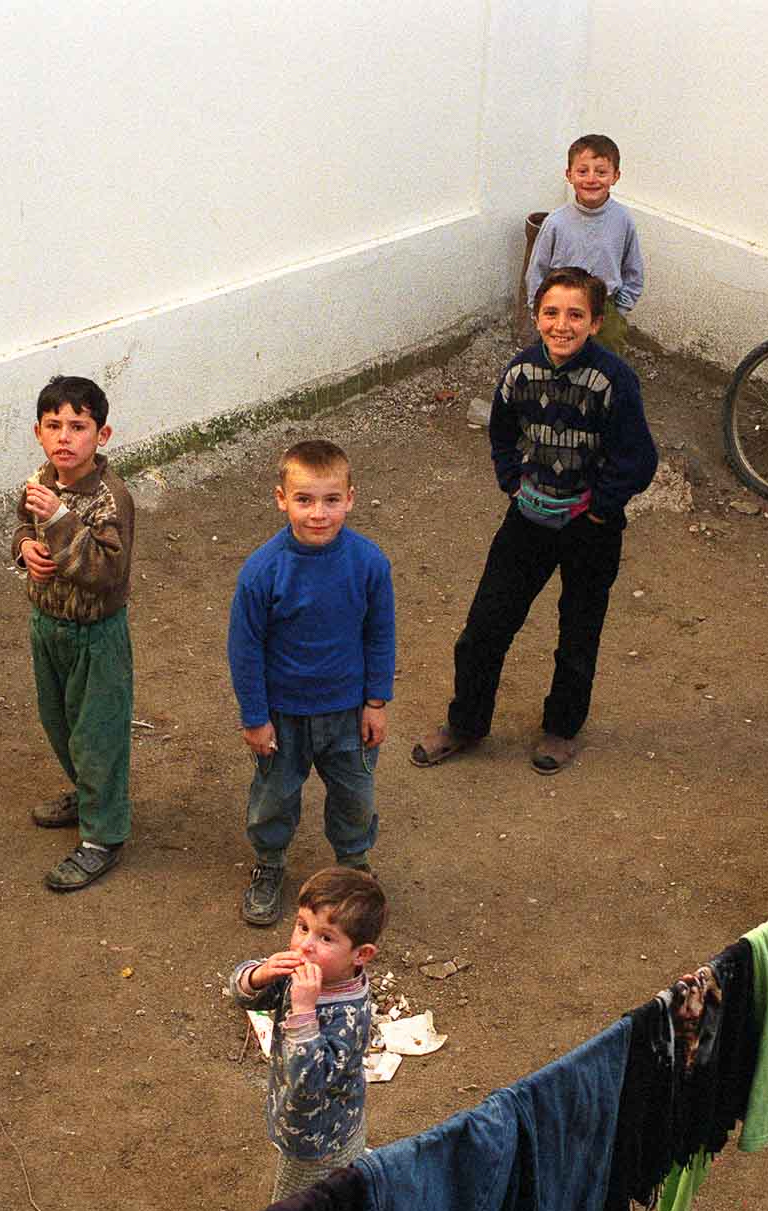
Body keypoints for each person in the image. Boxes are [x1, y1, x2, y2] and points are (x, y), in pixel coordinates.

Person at [412, 267, 658, 775]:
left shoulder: (614, 380)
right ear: (535, 316)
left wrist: (599, 509)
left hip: (590, 531)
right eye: (551, 313)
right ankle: (466, 724)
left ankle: (562, 729)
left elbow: (639, 459)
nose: (561, 325)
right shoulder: (520, 372)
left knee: (578, 633)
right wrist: (511, 481)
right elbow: (501, 433)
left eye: (575, 315)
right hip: (527, 520)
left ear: (595, 322)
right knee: (484, 627)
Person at [229, 440, 395, 927]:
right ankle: (270, 864)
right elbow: (245, 650)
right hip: (282, 717)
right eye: (304, 500)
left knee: (355, 797)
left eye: (330, 499)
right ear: (281, 499)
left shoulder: (369, 563)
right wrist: (255, 719)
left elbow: (380, 634)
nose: (318, 513)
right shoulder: (261, 572)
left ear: (351, 497)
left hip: (348, 714)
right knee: (273, 797)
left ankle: (354, 868)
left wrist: (376, 702)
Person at [14, 375, 136, 892]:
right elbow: (22, 523)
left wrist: (60, 522)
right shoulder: (41, 478)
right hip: (48, 628)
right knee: (60, 723)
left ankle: (103, 837)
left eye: (78, 426)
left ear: (102, 435)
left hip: (96, 636)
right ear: (39, 432)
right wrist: (25, 549)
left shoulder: (112, 499)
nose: (65, 436)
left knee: (98, 735)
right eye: (54, 425)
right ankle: (88, 796)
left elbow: (107, 570)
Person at [230, 866, 385, 1202]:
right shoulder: (309, 975)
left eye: (325, 937)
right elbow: (242, 994)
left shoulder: (347, 1014)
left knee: (294, 1208)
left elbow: (310, 1079)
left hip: (316, 1139)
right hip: (311, 1120)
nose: (305, 946)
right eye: (302, 927)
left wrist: (303, 1011)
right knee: (341, 1180)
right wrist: (260, 975)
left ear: (362, 955)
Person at [523, 134, 645, 353]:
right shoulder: (555, 222)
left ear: (615, 176)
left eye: (601, 172)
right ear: (569, 175)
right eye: (582, 171)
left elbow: (633, 268)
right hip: (562, 305)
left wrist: (620, 309)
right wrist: (538, 308)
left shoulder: (622, 220)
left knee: (604, 363)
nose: (591, 179)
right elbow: (536, 270)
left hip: (604, 307)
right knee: (559, 358)